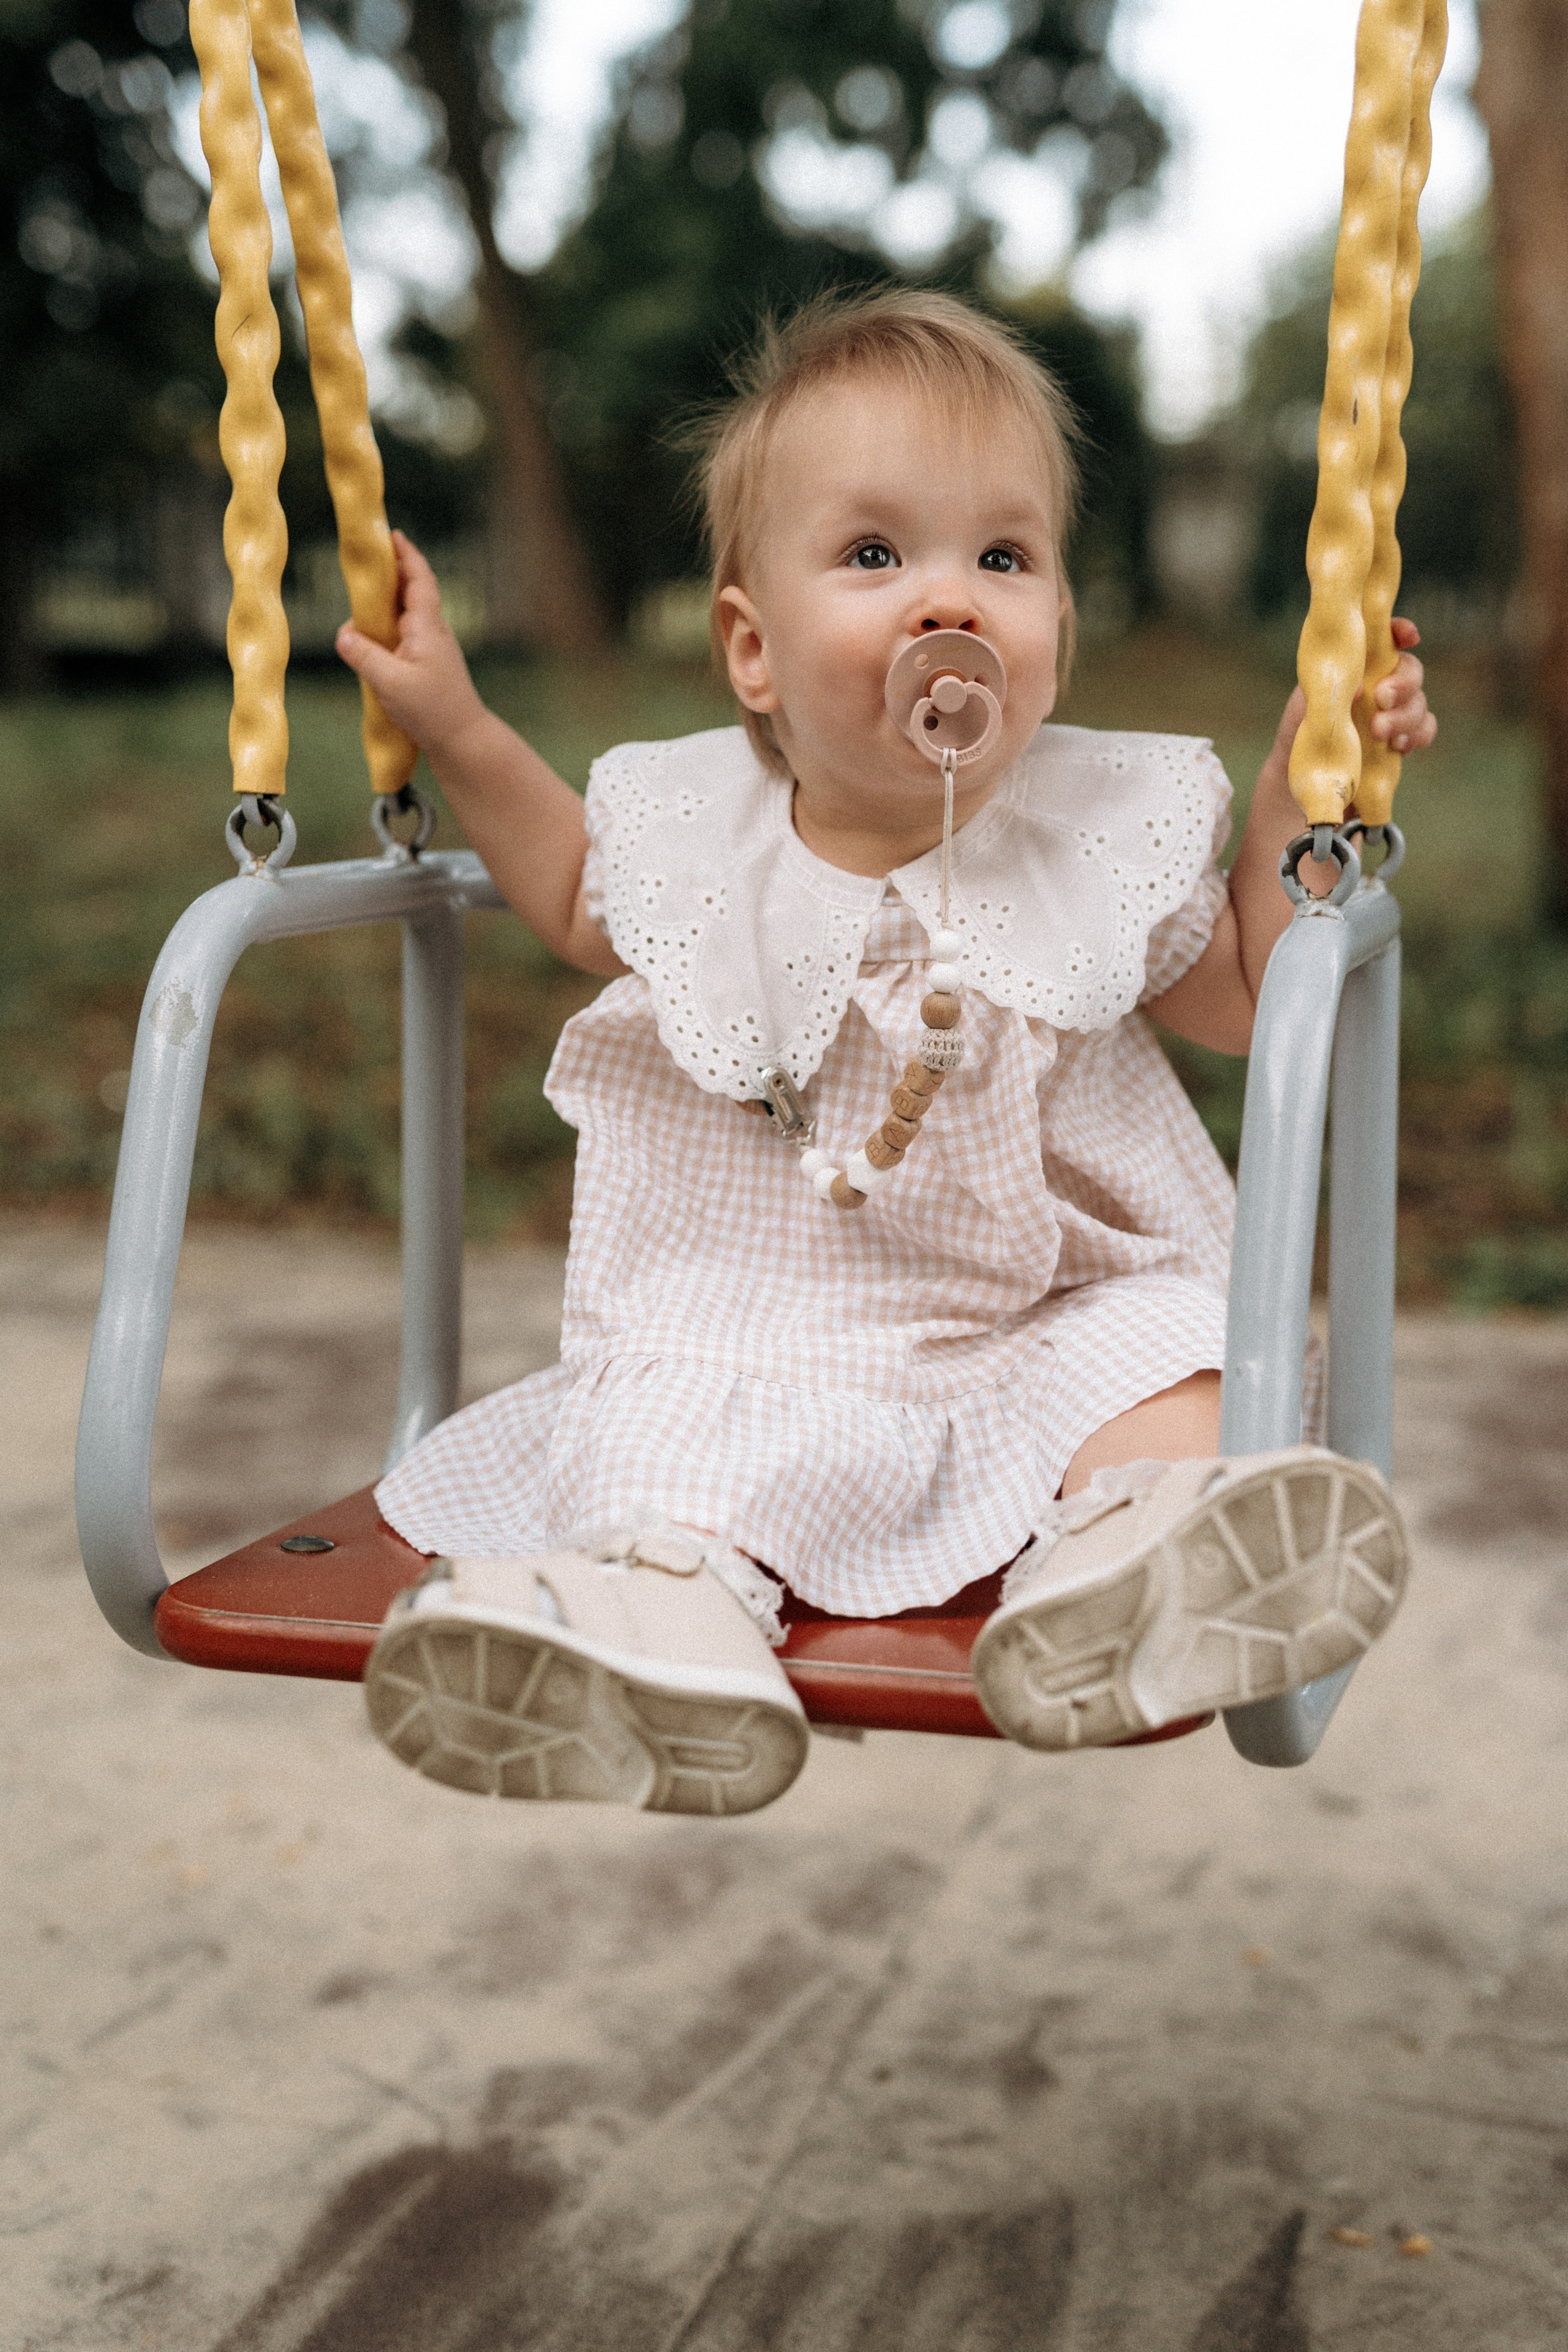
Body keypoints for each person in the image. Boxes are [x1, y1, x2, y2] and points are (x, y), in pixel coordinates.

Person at [335, 288, 1435, 1817]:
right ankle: (661, 1627)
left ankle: (1132, 1564)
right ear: (752, 649)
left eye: (1003, 557)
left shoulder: (1089, 839)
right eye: (873, 556)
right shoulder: (698, 838)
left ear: (1057, 618)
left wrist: (1297, 785)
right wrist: (450, 725)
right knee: (650, 1426)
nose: (949, 601)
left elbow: (1250, 991)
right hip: (754, 1336)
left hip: (1036, 1323)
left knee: (1171, 1353)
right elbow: (579, 893)